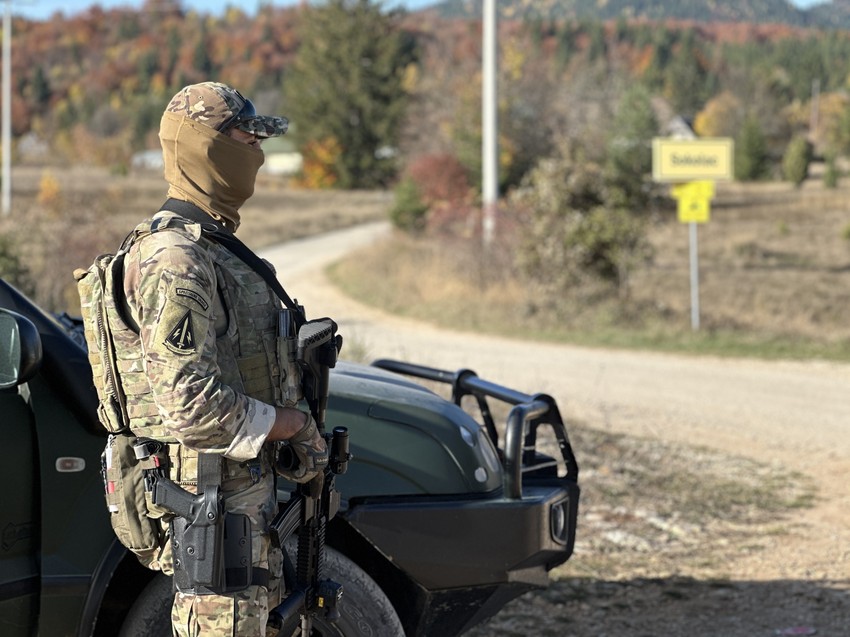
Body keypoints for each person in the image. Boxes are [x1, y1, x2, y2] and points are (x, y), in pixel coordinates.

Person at [112, 81, 327, 636]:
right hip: (217, 519)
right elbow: (190, 405)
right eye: (246, 136)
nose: (257, 150)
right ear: (203, 145)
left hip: (243, 510)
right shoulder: (176, 259)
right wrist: (293, 425)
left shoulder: (210, 247)